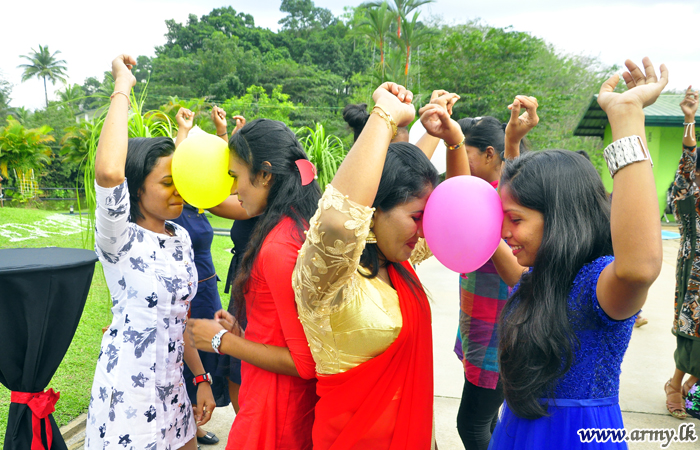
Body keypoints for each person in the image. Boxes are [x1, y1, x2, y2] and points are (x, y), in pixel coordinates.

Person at [483, 57, 665, 448]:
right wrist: (511, 145)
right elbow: (514, 209)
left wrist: (626, 116)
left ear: (560, 218)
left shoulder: (599, 288)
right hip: (515, 432)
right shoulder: (535, 281)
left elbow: (640, 266)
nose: (503, 233)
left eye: (513, 220)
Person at [293, 82, 442, 449]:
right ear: (373, 213)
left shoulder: (400, 265)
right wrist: (385, 113)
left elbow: (458, 225)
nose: (426, 231)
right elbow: (335, 223)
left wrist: (450, 142)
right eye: (417, 217)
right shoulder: (328, 280)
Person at [86, 54, 215, 450]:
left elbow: (181, 318)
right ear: (136, 189)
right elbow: (109, 172)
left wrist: (201, 379)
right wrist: (122, 84)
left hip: (174, 389)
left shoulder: (180, 236)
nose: (179, 190)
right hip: (128, 396)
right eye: (167, 183)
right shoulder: (118, 236)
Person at [186, 118, 321, 450]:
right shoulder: (296, 225)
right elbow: (286, 329)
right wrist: (243, 332)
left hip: (275, 413)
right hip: (277, 402)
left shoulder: (279, 246)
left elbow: (303, 361)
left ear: (264, 174)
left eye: (234, 176)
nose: (232, 189)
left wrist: (221, 342)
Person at [423, 97, 537, 450]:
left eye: (465, 154)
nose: (458, 164)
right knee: (487, 420)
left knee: (470, 425)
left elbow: (465, 204)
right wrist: (513, 143)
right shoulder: (498, 194)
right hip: (481, 324)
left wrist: (452, 139)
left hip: (497, 331)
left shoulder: (496, 202)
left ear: (490, 154)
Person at [170, 106, 232, 446]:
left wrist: (222, 133)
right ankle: (186, 424)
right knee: (182, 351)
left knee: (208, 351)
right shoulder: (174, 205)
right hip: (182, 292)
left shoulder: (201, 200)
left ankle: (198, 419)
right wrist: (185, 129)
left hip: (207, 289)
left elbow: (234, 180)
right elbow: (174, 164)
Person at [666, 85, 700, 419]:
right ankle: (676, 384)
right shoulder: (689, 193)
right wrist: (689, 119)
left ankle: (691, 384)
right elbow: (688, 158)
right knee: (692, 335)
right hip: (695, 274)